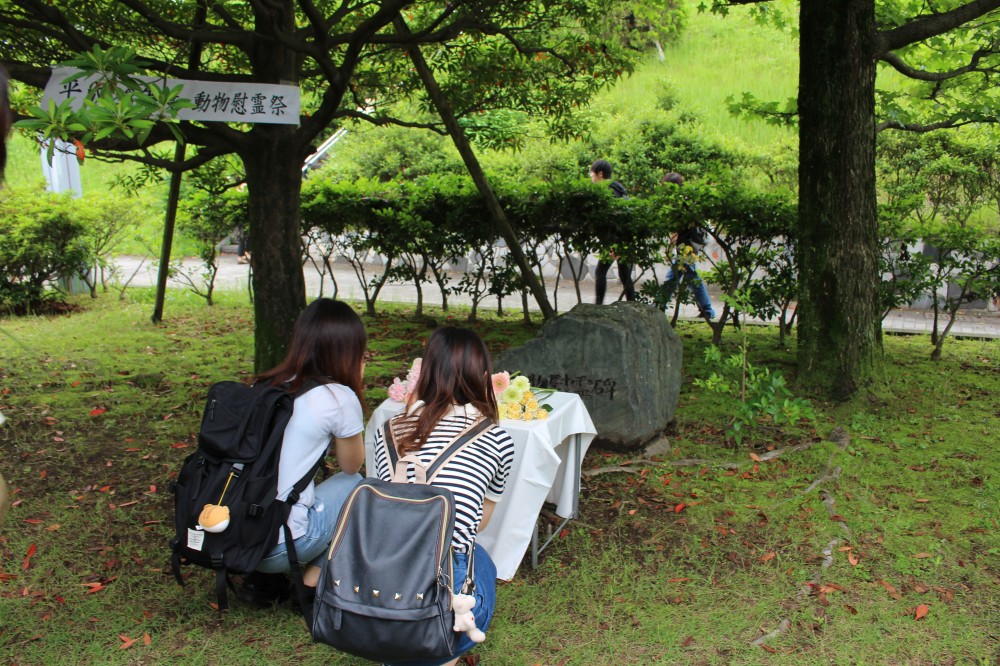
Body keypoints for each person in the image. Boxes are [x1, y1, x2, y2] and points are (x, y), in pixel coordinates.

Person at [373, 327, 515, 666]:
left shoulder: (390, 430)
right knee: (479, 558)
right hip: (448, 587)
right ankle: (440, 647)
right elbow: (477, 523)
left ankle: (395, 634)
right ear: (482, 376)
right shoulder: (497, 439)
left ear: (427, 372)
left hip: (378, 578)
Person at [237, 298, 368, 608]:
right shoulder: (338, 397)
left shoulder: (265, 385)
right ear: (349, 351)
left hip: (235, 539)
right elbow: (352, 466)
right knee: (360, 487)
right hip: (286, 544)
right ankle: (309, 584)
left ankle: (262, 582)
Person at [660, 172, 716, 320]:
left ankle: (660, 305)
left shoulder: (682, 203)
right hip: (689, 246)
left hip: (687, 246)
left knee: (675, 277)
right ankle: (707, 310)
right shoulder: (687, 200)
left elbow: (682, 227)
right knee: (689, 276)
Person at [590, 159, 636, 304]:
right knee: (624, 273)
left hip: (614, 240)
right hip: (623, 239)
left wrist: (612, 244)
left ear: (600, 174)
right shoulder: (618, 190)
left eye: (592, 174)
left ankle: (598, 305)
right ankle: (631, 303)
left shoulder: (608, 193)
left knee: (600, 272)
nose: (591, 178)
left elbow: (611, 221)